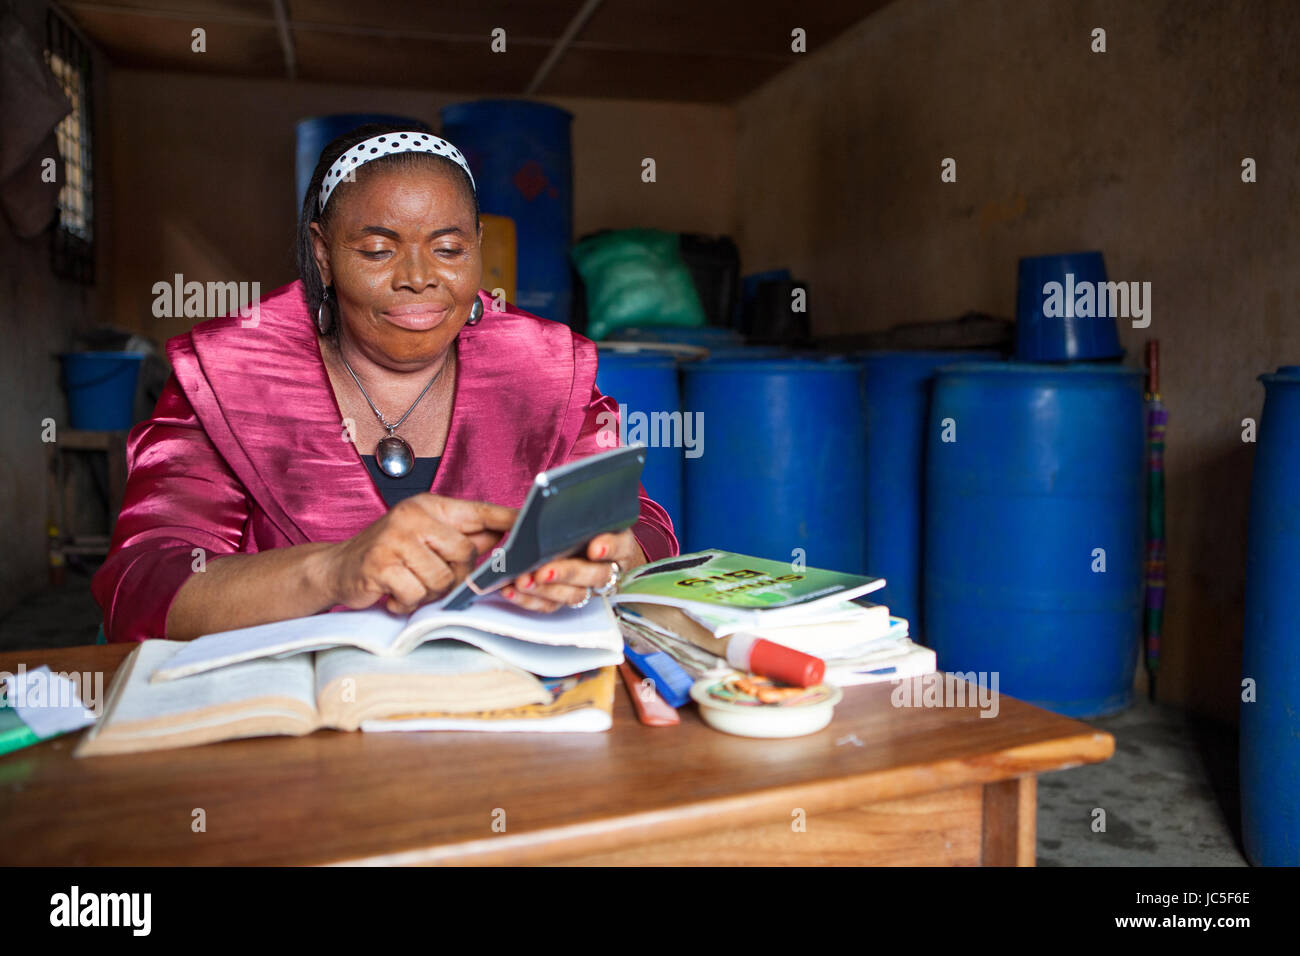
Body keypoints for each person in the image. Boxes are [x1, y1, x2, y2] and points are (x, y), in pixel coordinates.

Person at [92, 122, 678, 643]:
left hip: (501, 711)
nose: (419, 278)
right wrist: (332, 568)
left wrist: (616, 554)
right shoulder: (229, 376)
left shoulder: (543, 369)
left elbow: (643, 526)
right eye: (377, 250)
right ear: (322, 254)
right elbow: (143, 585)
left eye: (449, 248)